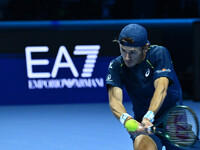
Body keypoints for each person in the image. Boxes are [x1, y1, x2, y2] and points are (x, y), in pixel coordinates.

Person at [106, 24, 184, 150]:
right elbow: (114, 101)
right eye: (123, 50)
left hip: (174, 121)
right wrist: (127, 120)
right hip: (142, 123)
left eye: (132, 52)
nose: (127, 57)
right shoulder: (116, 65)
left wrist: (149, 116)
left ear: (145, 48)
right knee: (142, 145)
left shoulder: (159, 53)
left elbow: (161, 89)